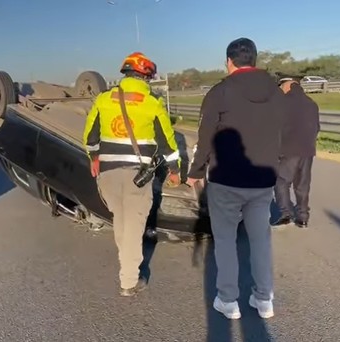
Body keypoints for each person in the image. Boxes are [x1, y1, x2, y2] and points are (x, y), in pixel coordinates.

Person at [186, 37, 285, 319]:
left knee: (226, 240)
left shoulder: (220, 91)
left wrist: (194, 172)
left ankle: (228, 301)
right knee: (260, 240)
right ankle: (264, 299)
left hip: (226, 180)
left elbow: (205, 137)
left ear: (229, 61)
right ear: (254, 60)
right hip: (263, 179)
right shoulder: (278, 93)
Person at [83, 52, 181, 297]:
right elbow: (167, 143)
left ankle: (126, 263)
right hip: (137, 176)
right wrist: (175, 170)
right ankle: (129, 281)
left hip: (107, 173)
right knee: (134, 226)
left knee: (121, 220)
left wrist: (94, 159)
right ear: (146, 76)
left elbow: (90, 138)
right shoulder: (152, 103)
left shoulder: (104, 99)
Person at [272, 79, 320, 228]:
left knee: (281, 181)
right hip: (307, 150)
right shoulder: (312, 103)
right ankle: (303, 217)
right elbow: (317, 127)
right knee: (303, 184)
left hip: (288, 149)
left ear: (286, 87)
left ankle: (286, 213)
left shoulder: (281, 103)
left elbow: (276, 128)